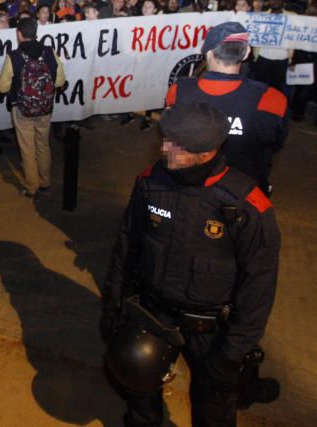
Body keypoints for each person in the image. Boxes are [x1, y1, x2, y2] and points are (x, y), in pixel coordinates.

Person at [101, 102, 281, 427]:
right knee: (139, 395)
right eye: (166, 138)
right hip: (152, 315)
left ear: (207, 151)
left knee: (214, 409)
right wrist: (113, 301)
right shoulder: (150, 183)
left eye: (177, 144)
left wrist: (233, 351)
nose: (164, 147)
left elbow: (259, 286)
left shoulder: (246, 206)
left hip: (211, 332)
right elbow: (127, 245)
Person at [165, 22, 287, 194]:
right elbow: (275, 143)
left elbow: (169, 135)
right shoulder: (271, 99)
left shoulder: (178, 92)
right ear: (246, 53)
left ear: (208, 54)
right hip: (243, 194)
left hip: (187, 190)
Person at [0, 17, 66, 199]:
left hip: (22, 110)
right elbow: (60, 81)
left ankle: (32, 186)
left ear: (19, 34)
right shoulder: (50, 52)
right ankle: (46, 182)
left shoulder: (14, 56)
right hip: (45, 108)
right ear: (36, 32)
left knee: (27, 148)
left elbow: (2, 87)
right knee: (43, 144)